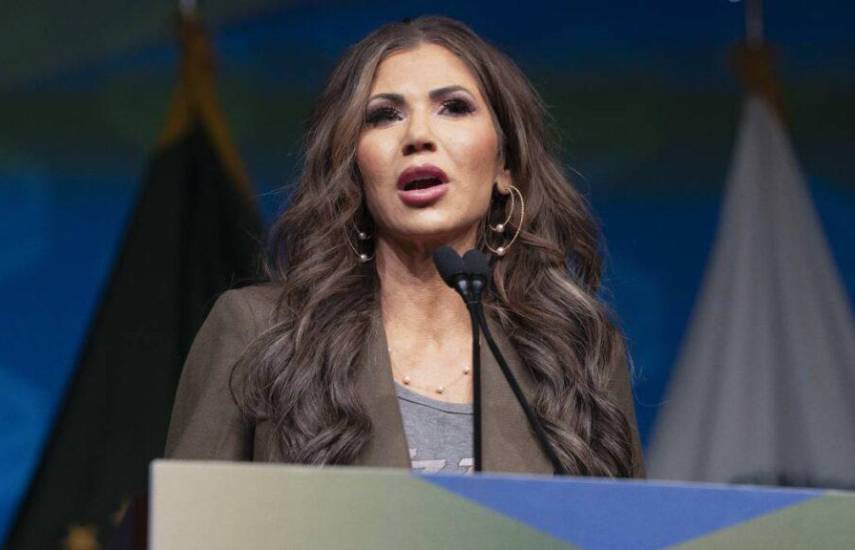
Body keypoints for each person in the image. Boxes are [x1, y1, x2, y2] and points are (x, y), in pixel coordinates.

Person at [165, 15, 645, 478]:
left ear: (505, 166)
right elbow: (185, 521)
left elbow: (630, 522)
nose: (418, 136)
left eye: (453, 107)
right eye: (384, 116)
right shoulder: (259, 333)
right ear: (353, 167)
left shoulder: (576, 349)